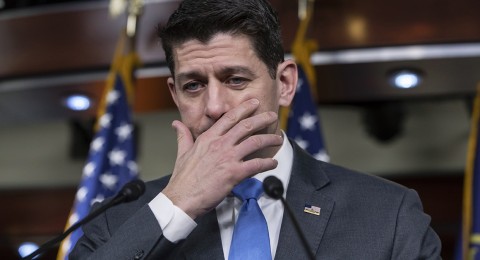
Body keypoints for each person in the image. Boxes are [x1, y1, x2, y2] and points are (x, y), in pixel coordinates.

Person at [70, 0, 442, 259]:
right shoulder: (117, 219)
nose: (215, 107)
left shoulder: (387, 214)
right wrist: (179, 204)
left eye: (235, 79)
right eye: (194, 85)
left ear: (284, 83)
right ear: (175, 94)